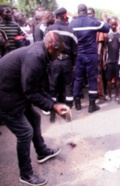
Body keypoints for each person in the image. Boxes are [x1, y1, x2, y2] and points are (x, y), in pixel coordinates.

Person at [0, 31, 70, 186]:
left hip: (14, 91)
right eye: (58, 52)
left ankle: (42, 151)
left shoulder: (42, 54)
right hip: (5, 96)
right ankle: (26, 174)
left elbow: (38, 86)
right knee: (25, 132)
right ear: (53, 46)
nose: (59, 56)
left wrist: (53, 103)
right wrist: (53, 106)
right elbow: (30, 91)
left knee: (35, 117)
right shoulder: (36, 57)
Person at [69, 4, 110, 113]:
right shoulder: (92, 21)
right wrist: (105, 19)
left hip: (79, 55)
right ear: (86, 11)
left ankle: (77, 103)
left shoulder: (72, 24)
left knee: (78, 79)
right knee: (92, 79)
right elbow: (107, 28)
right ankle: (92, 105)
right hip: (91, 54)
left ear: (78, 12)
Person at [45, 7, 78, 123]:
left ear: (56, 17)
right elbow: (75, 50)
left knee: (53, 88)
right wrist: (73, 63)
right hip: (67, 62)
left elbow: (45, 46)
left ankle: (52, 114)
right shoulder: (70, 30)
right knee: (68, 87)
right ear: (64, 16)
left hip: (53, 61)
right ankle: (68, 114)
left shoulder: (49, 29)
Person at [104, 17, 120, 101]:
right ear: (110, 24)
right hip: (109, 61)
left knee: (118, 79)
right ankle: (109, 94)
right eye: (112, 24)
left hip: (118, 61)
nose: (114, 26)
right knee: (109, 79)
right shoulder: (107, 35)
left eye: (115, 24)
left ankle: (117, 95)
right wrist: (104, 61)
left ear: (117, 24)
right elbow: (104, 48)